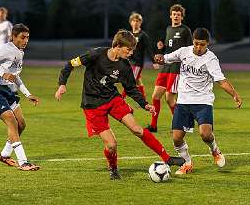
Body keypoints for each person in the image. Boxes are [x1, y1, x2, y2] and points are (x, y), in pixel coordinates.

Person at [55, 29, 185, 180]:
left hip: (112, 99)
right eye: (128, 49)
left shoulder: (124, 66)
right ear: (117, 46)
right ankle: (113, 168)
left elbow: (131, 88)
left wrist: (145, 104)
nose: (131, 53)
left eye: (132, 50)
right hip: (92, 105)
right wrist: (62, 84)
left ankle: (166, 158)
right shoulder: (96, 54)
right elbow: (69, 64)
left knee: (137, 129)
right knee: (111, 145)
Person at [154, 28, 242, 175]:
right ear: (192, 41)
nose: (198, 48)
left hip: (203, 101)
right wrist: (159, 57)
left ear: (207, 44)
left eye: (202, 45)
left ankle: (215, 150)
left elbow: (221, 81)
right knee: (176, 138)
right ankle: (187, 163)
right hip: (183, 101)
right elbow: (166, 58)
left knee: (205, 134)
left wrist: (234, 94)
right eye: (196, 44)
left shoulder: (211, 59)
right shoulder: (184, 52)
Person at [0, 23, 40, 171]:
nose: (26, 40)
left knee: (21, 124)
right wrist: (2, 74)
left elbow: (16, 77)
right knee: (12, 123)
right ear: (14, 37)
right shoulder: (5, 49)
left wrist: (28, 94)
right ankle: (23, 162)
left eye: (27, 37)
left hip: (9, 91)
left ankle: (5, 155)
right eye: (22, 37)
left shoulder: (20, 52)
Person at [147, 4, 193, 132]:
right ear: (170, 15)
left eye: (178, 15)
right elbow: (168, 47)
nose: (176, 16)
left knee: (169, 98)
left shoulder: (185, 30)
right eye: (174, 14)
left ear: (182, 17)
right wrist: (161, 46)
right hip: (165, 67)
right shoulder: (168, 29)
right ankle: (153, 126)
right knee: (155, 96)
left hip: (176, 68)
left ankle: (182, 124)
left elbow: (190, 49)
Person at [121, 12, 158, 99]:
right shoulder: (128, 34)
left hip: (137, 62)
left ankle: (121, 98)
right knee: (137, 80)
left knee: (130, 81)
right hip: (129, 61)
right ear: (130, 22)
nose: (135, 23)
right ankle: (143, 98)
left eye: (138, 21)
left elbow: (149, 48)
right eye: (134, 21)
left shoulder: (143, 35)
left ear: (140, 22)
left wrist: (154, 61)